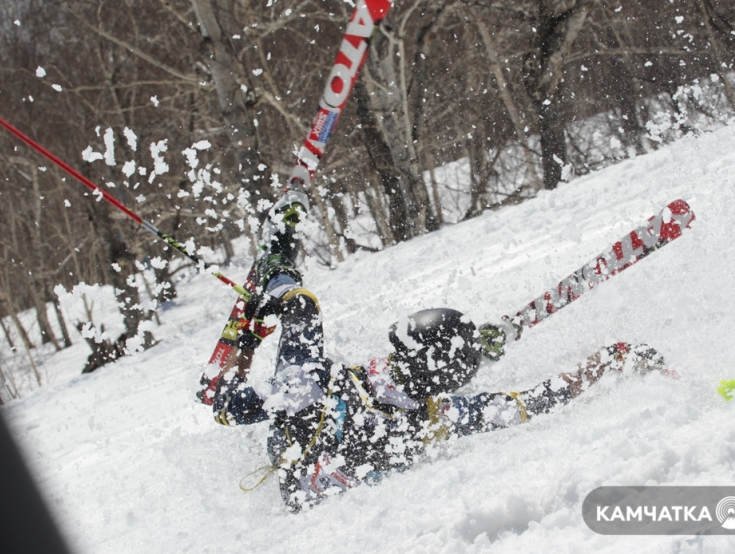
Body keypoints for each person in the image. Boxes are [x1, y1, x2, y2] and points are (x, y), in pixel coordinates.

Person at [211, 193, 666, 512]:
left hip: (299, 460)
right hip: (314, 467)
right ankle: (281, 270)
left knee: (302, 308)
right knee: (326, 353)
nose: (388, 355)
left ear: (411, 364)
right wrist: (610, 359)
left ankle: (278, 260)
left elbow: (222, 405)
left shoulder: (310, 386)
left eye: (399, 352)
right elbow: (532, 402)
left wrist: (244, 341)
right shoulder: (437, 417)